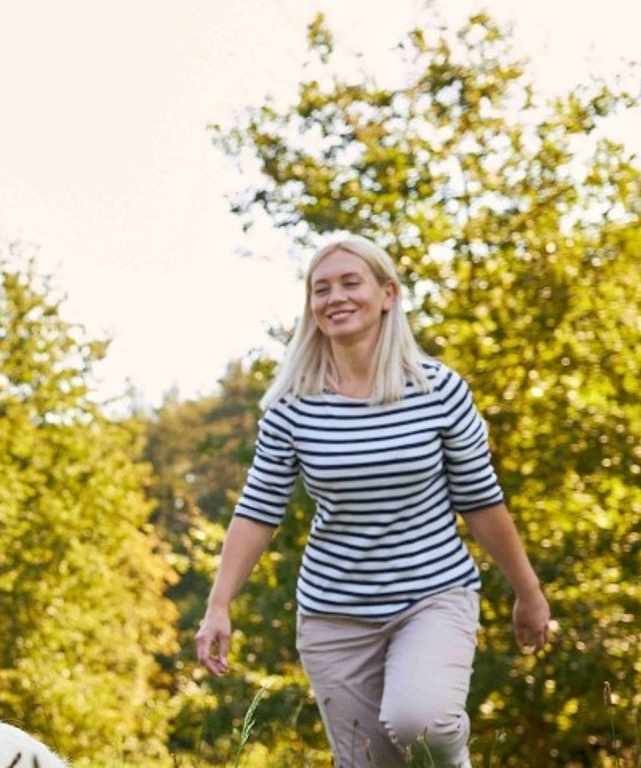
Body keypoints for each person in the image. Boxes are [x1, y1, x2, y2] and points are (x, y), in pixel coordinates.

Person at [193, 236, 551, 767]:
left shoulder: (438, 391)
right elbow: (258, 508)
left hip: (432, 595)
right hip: (334, 616)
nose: (335, 297)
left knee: (422, 724)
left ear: (388, 294)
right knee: (367, 762)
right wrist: (218, 604)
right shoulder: (292, 407)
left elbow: (481, 501)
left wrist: (528, 592)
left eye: (350, 283)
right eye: (321, 289)